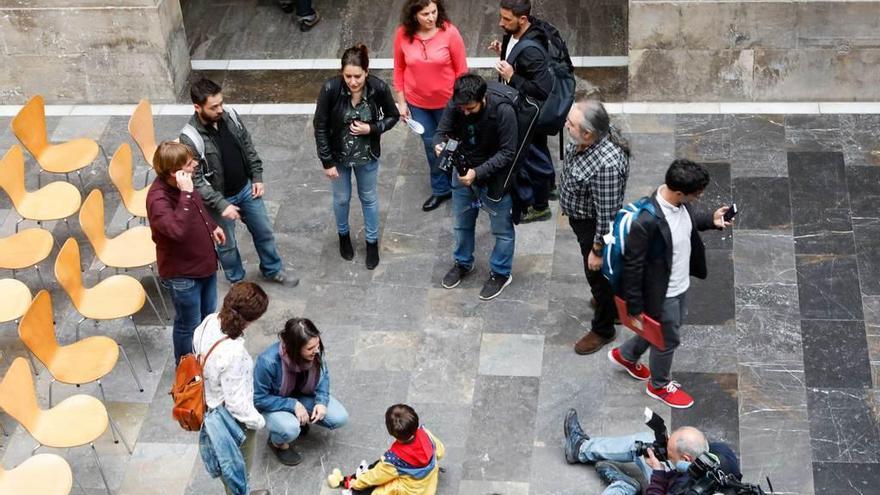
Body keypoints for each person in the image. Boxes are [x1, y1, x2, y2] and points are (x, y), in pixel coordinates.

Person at [609, 160, 732, 408]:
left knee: (657, 329)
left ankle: (626, 355)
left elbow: (685, 220)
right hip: (662, 292)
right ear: (678, 192)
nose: (700, 197)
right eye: (696, 193)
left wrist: (711, 219)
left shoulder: (677, 204)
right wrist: (634, 307)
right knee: (667, 339)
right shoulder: (646, 222)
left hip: (678, 284)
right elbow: (633, 266)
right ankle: (659, 385)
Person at [180, 78, 296, 288]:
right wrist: (222, 205)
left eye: (221, 103)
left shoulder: (231, 117)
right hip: (219, 199)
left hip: (245, 189)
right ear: (197, 107)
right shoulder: (190, 138)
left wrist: (257, 176)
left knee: (264, 231)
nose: (220, 109)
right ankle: (237, 281)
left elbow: (248, 147)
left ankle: (272, 269)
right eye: (213, 107)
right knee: (226, 244)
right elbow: (197, 181)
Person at [314, 44, 400, 270]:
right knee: (341, 198)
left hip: (367, 155)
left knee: (369, 198)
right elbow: (320, 125)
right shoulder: (331, 89)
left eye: (358, 76)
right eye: (348, 76)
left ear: (366, 73)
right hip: (339, 156)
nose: (353, 82)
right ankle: (343, 236)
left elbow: (393, 116)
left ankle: (372, 243)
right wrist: (327, 161)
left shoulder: (378, 88)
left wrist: (371, 128)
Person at [434, 74, 518, 300]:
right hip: (462, 173)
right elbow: (441, 132)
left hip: (495, 178)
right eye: (462, 108)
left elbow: (508, 152)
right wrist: (439, 145)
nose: (465, 112)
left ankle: (501, 272)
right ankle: (463, 262)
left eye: (470, 108)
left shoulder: (503, 111)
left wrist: (477, 173)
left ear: (484, 99)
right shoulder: (457, 104)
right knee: (461, 223)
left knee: (501, 230)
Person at [560, 100, 630, 356]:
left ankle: (603, 327)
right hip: (582, 220)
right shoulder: (586, 140)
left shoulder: (606, 165)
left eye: (571, 124)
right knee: (601, 279)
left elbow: (608, 215)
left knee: (597, 276)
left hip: (594, 227)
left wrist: (597, 250)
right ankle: (612, 306)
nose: (566, 125)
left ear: (588, 133)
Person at [147, 141, 225, 364]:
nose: (195, 165)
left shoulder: (184, 187)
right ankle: (186, 368)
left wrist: (212, 226)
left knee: (207, 317)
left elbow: (197, 209)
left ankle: (204, 356)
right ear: (175, 172)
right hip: (184, 276)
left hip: (204, 265)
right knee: (188, 325)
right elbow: (176, 231)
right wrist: (187, 194)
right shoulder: (158, 200)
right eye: (190, 164)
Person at [195, 282, 270, 495]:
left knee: (228, 468)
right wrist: (258, 422)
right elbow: (237, 404)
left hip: (209, 403)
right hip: (231, 419)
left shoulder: (210, 321)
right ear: (251, 320)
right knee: (238, 472)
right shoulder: (234, 353)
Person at [392, 0, 468, 211]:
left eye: (433, 12)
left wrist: (461, 102)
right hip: (417, 103)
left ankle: (461, 186)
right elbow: (399, 69)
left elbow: (462, 70)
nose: (431, 17)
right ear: (414, 14)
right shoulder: (402, 34)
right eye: (425, 13)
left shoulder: (450, 33)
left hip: (448, 103)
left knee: (453, 144)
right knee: (430, 146)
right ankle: (441, 189)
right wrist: (401, 102)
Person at [562, 409, 741, 495]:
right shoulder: (721, 454)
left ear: (686, 459)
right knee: (647, 444)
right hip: (677, 477)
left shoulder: (685, 490)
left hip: (666, 489)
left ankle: (623, 487)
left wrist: (658, 473)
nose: (665, 454)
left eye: (669, 453)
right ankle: (580, 448)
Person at [489, 0, 555, 224]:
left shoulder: (532, 50)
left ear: (523, 19)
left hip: (528, 113)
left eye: (506, 19)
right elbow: (517, 57)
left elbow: (541, 90)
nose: (501, 23)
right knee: (538, 151)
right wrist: (504, 52)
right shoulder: (515, 32)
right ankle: (549, 188)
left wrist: (511, 77)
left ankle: (540, 206)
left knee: (531, 157)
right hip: (523, 109)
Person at [253, 318, 349, 466]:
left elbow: (324, 376)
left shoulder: (316, 351)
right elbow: (258, 399)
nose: (316, 351)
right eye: (310, 349)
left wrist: (322, 401)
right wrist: (292, 405)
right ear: (294, 348)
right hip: (275, 402)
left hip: (302, 395)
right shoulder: (268, 362)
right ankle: (277, 443)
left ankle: (299, 418)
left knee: (339, 417)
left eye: (317, 345)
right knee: (289, 429)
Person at [347, 404, 445, 495]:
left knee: (378, 490)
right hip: (429, 485)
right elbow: (440, 452)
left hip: (411, 491)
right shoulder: (426, 434)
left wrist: (356, 484)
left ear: (390, 432)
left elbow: (376, 476)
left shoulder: (394, 460)